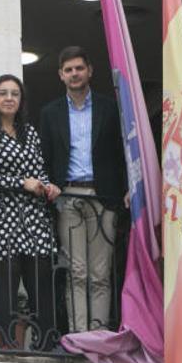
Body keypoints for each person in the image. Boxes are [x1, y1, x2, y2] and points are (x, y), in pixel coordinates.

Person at [0, 74, 61, 348]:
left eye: (14, 94)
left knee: (39, 279)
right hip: (0, 217)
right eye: (2, 93)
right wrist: (20, 182)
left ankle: (45, 344)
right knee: (7, 280)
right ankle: (6, 343)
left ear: (21, 100)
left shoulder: (30, 133)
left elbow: (38, 169)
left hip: (34, 217)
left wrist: (47, 185)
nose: (8, 98)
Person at [38, 46, 126, 333]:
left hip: (104, 197)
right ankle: (79, 336)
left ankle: (99, 335)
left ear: (90, 70)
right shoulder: (50, 113)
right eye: (68, 70)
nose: (74, 74)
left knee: (100, 273)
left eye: (79, 68)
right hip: (68, 198)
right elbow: (45, 157)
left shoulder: (110, 108)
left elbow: (122, 151)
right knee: (76, 271)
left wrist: (128, 188)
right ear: (61, 75)